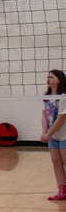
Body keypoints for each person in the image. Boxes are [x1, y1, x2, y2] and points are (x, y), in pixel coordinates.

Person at [39, 70, 66, 201]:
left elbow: (61, 119)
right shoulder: (47, 96)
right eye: (48, 77)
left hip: (64, 135)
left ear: (59, 80)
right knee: (56, 162)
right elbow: (44, 115)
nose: (48, 79)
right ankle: (62, 190)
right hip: (53, 136)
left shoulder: (64, 96)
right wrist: (44, 133)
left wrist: (48, 134)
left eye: (51, 77)